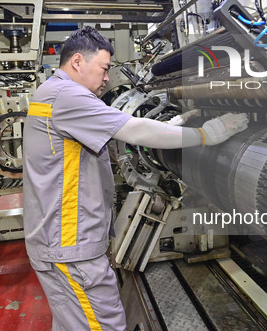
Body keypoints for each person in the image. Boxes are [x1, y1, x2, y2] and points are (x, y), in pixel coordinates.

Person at [22, 26, 248, 330]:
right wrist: (206, 134)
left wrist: (174, 123)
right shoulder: (67, 96)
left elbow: (107, 133)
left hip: (62, 241)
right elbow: (132, 130)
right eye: (103, 68)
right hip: (69, 246)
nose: (106, 78)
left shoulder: (53, 92)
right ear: (77, 61)